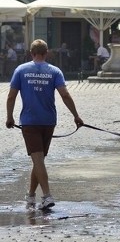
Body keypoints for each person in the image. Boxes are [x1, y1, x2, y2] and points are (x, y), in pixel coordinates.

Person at [5, 39, 83, 209]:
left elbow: (11, 96)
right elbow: (65, 95)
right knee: (38, 159)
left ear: (31, 53)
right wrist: (76, 116)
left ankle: (46, 196)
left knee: (38, 160)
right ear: (46, 53)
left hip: (29, 121)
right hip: (49, 121)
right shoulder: (55, 71)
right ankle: (31, 196)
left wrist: (9, 117)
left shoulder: (21, 70)